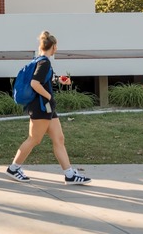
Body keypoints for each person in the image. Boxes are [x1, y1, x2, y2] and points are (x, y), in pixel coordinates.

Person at [6, 32, 92, 185]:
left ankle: (69, 174)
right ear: (52, 47)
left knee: (59, 139)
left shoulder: (39, 60)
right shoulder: (44, 62)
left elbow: (43, 80)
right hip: (41, 107)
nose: (56, 48)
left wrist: (59, 80)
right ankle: (14, 168)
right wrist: (49, 96)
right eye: (56, 46)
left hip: (46, 107)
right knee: (34, 139)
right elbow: (35, 84)